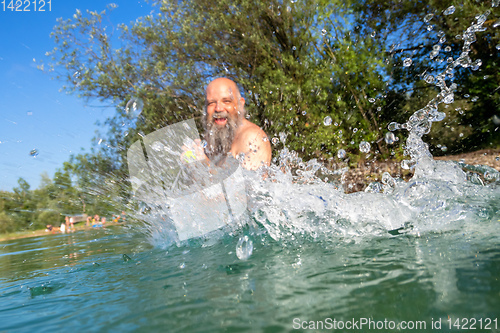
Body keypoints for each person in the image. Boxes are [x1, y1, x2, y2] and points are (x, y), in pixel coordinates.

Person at [184, 78, 272, 170]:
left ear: (240, 104)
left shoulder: (252, 138)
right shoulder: (214, 140)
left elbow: (250, 183)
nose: (218, 108)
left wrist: (204, 165)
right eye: (211, 103)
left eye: (226, 101)